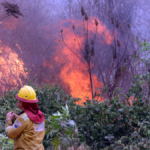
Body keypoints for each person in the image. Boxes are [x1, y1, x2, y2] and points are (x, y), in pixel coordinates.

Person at [5, 85, 45, 150]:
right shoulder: (39, 115)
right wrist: (17, 117)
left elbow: (11, 134)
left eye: (18, 99)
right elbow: (30, 126)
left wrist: (8, 120)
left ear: (22, 102)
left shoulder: (22, 118)